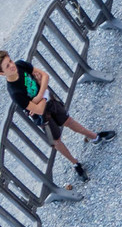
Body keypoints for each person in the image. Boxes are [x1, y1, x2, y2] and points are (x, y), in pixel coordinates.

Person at [0, 49, 114, 184]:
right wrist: (42, 91)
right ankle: (75, 163)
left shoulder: (20, 65)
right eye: (7, 66)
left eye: (10, 61)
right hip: (42, 118)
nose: (12, 65)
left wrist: (38, 97)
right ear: (2, 73)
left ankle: (95, 137)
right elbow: (39, 109)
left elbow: (45, 76)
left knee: (69, 121)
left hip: (50, 102)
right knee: (56, 141)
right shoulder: (14, 92)